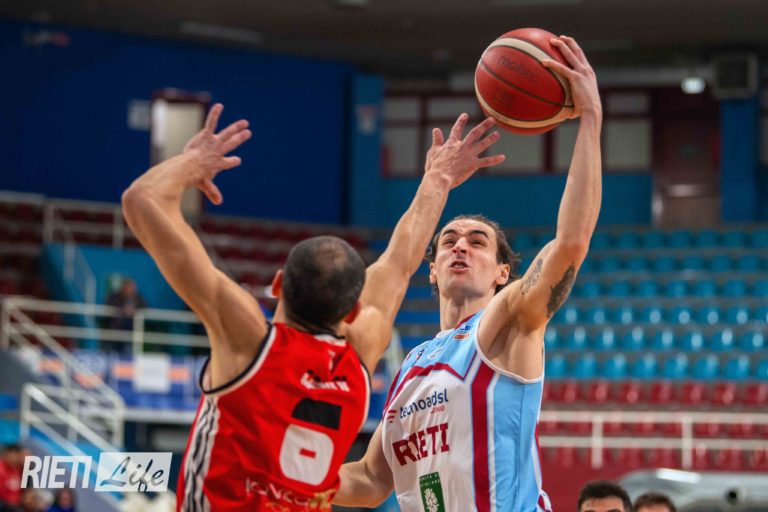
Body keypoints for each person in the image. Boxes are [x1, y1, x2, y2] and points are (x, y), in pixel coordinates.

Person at [122, 103, 503, 511]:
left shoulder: (249, 340)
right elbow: (400, 260)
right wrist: (438, 178)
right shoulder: (360, 352)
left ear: (277, 285)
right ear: (352, 313)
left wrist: (190, 163)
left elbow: (140, 199)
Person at [333, 35, 602, 511]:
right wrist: (288, 472)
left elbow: (570, 244)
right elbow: (372, 479)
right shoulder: (412, 365)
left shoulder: (507, 321)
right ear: (432, 271)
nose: (460, 245)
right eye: (449, 241)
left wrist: (591, 120)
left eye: (478, 242)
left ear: (503, 273)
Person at [0, 445, 24, 509]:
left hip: (16, 505)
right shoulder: (1, 469)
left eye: (16, 456)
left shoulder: (18, 470)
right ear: (5, 455)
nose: (14, 459)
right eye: (11, 456)